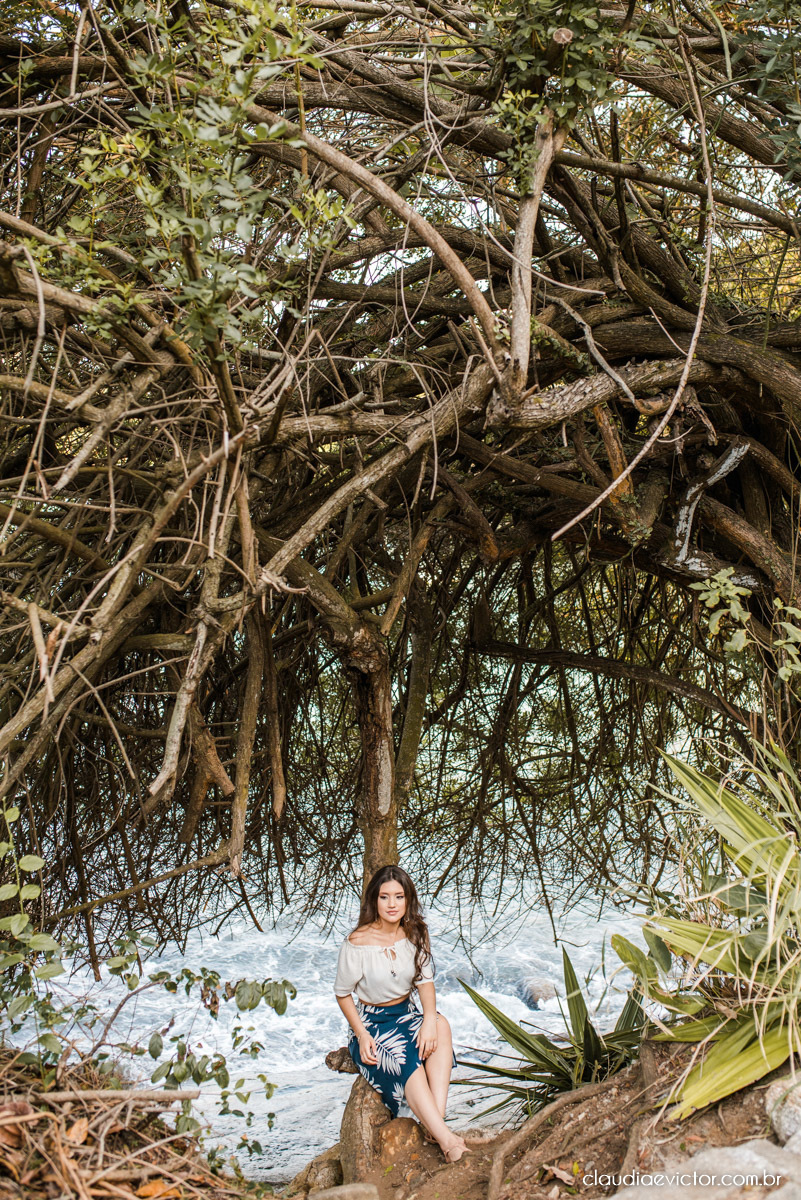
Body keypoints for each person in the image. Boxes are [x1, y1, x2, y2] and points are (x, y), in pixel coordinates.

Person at [334, 864, 470, 1163]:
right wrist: (361, 1033)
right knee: (402, 1056)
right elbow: (342, 993)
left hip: (406, 1012)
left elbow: (426, 982)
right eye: (385, 897)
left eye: (398, 896)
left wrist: (430, 1023)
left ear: (408, 899)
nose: (392, 904)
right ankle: (448, 1141)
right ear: (374, 901)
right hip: (373, 1022)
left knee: (442, 1026)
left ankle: (436, 1122)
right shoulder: (357, 942)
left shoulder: (416, 933)